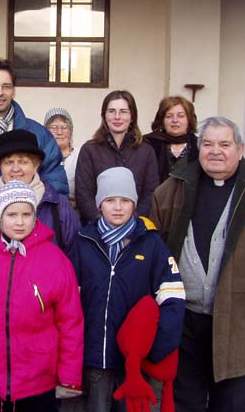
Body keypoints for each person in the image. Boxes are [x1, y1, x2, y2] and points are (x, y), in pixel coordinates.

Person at [151, 117, 245, 412]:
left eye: (225, 144)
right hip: (184, 323)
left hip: (241, 324)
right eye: (208, 144)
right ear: (198, 148)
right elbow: (153, 253)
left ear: (240, 149)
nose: (216, 151)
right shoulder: (171, 191)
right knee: (183, 402)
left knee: (234, 403)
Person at [0, 181, 84, 411]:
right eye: (12, 215)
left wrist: (69, 376)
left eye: (26, 214)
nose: (20, 222)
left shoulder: (55, 261)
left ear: (35, 216)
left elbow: (71, 322)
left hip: (38, 376)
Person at [69, 167, 185, 412]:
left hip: (135, 363)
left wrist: (155, 349)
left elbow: (173, 297)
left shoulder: (151, 244)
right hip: (95, 359)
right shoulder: (83, 242)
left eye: (125, 200)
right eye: (110, 200)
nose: (118, 207)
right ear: (100, 204)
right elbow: (68, 301)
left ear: (134, 204)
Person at [0, 129, 80, 271]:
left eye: (23, 161)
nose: (15, 169)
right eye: (8, 162)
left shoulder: (57, 205)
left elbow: (74, 261)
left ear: (36, 165)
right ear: (0, 166)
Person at [0, 59, 68, 195]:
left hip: (29, 207)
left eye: (6, 86)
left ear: (13, 91)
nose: (0, 92)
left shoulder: (38, 133)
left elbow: (55, 180)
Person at [75, 90, 158, 224]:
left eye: (123, 111)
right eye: (111, 111)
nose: (117, 117)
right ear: (104, 115)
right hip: (97, 228)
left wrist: (132, 225)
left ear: (132, 116)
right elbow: (83, 193)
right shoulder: (89, 150)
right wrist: (101, 224)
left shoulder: (146, 151)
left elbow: (150, 192)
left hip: (135, 229)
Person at [144, 96, 199, 184]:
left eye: (180, 116)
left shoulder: (200, 146)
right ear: (162, 120)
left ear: (189, 120)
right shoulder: (149, 144)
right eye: (169, 116)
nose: (175, 120)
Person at [44, 107, 79, 209]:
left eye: (64, 127)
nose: (59, 132)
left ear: (71, 131)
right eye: (53, 127)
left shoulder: (80, 155)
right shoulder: (40, 157)